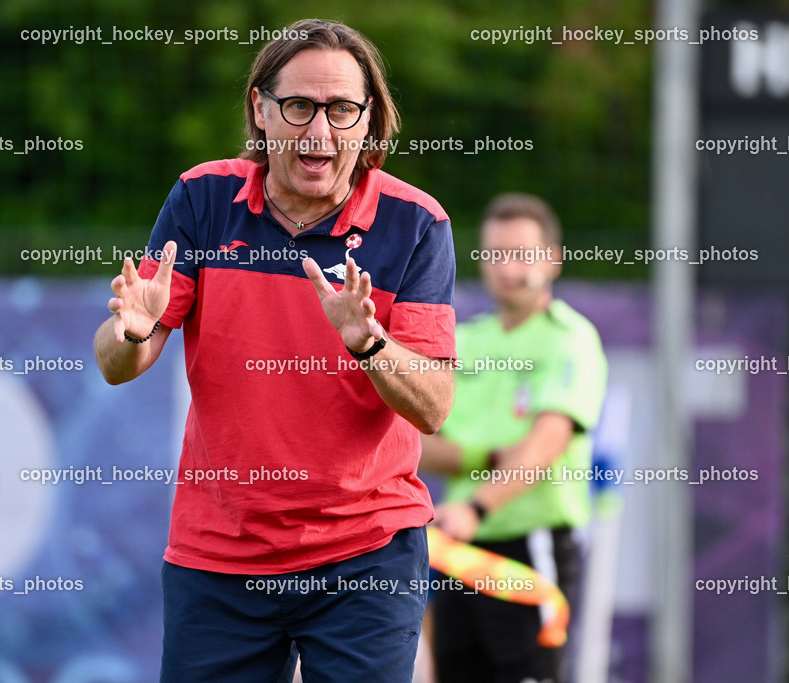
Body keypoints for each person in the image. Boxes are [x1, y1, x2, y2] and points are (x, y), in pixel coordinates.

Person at [93, 19, 457, 682]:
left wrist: (369, 342)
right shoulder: (202, 197)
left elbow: (433, 407)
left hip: (365, 553)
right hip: (220, 554)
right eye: (299, 107)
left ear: (368, 118)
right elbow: (119, 362)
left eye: (342, 109)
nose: (320, 132)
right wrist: (135, 329)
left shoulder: (416, 223)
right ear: (261, 110)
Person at [419, 192, 607, 683]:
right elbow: (415, 442)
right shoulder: (464, 339)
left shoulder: (570, 338)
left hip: (531, 543)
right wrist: (485, 455)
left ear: (553, 259)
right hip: (459, 550)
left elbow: (546, 444)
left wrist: (477, 504)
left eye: (522, 254)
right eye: (495, 253)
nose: (507, 267)